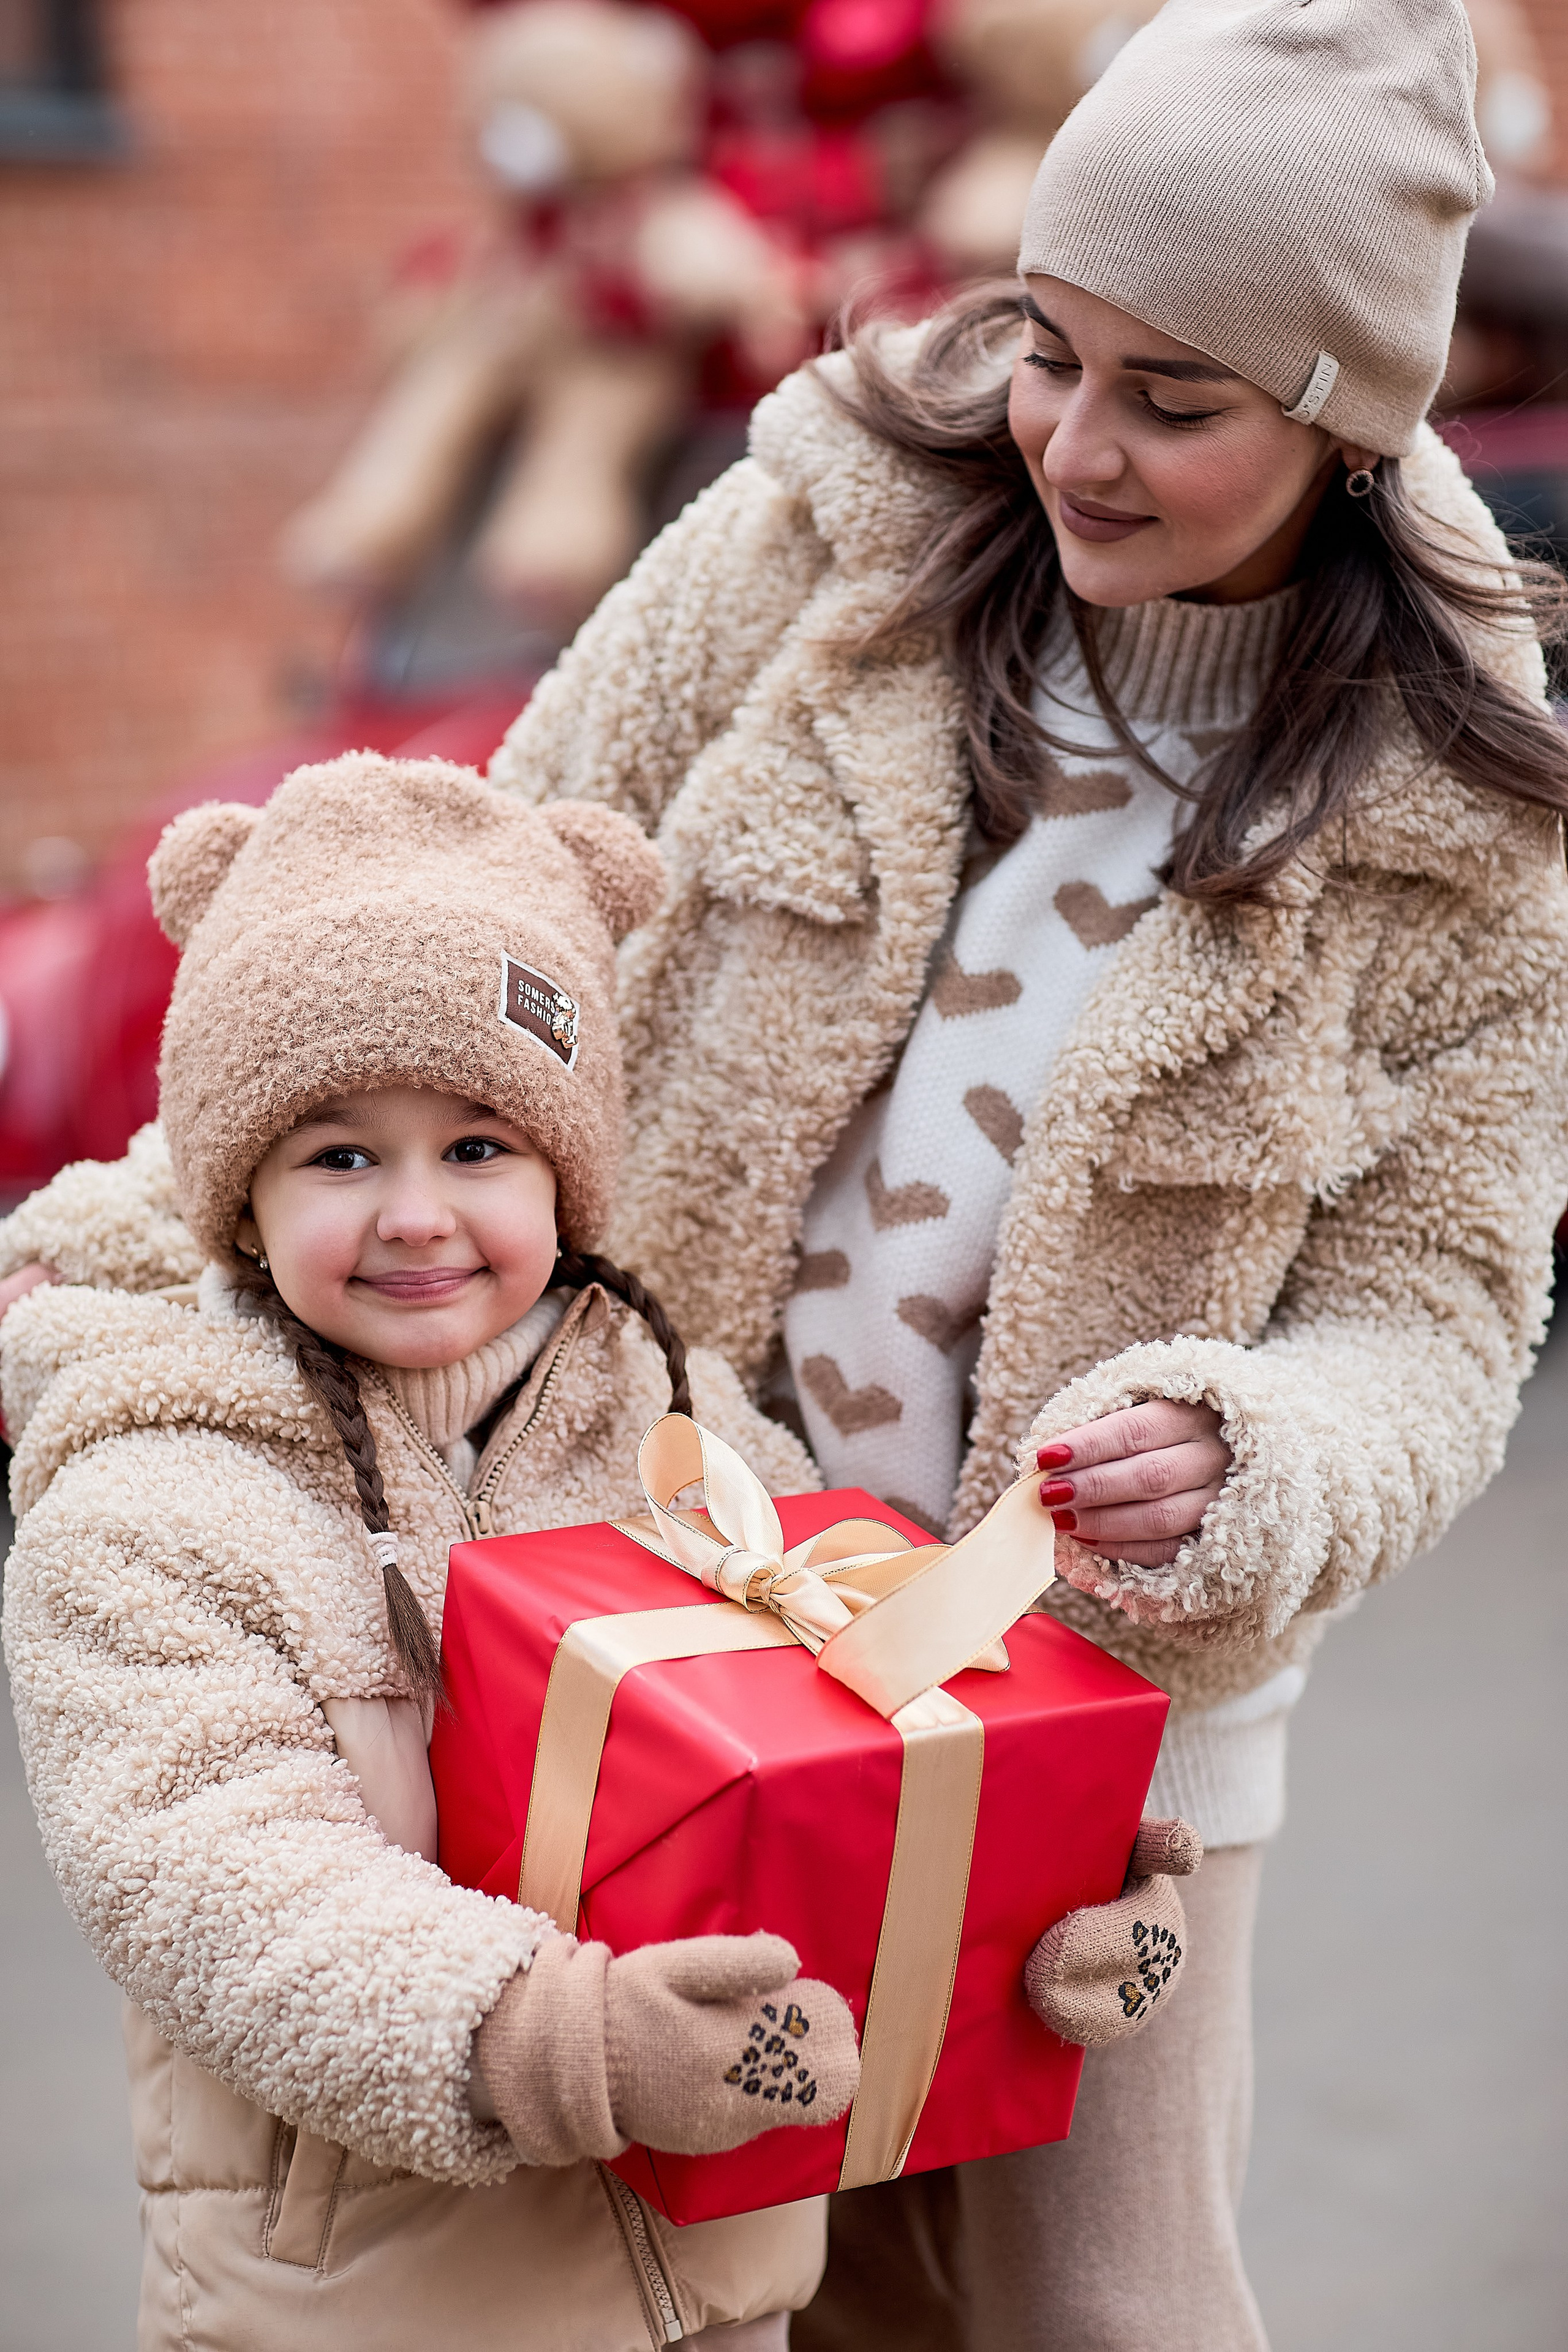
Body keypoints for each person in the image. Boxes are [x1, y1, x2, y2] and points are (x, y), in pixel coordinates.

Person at [6, 0, 1565, 2342]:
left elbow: (1438, 1312)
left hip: (1090, 1710)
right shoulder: (838, 517)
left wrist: (1262, 1449)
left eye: (1180, 400)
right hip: (659, 1599)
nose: (1080, 444)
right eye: (1055, 350)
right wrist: (170, 1270)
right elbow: (487, 883)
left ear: (1349, 425)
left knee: (1097, 2310)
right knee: (712, 2262)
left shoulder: (1469, 828)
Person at [0, 754, 864, 2352]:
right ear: (240, 1198)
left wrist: (1020, 1910)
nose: (415, 1214)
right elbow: (223, 1891)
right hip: (371, 2305)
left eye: (479, 1148)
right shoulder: (149, 1501)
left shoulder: (683, 1427)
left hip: (717, 2289)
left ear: (564, 1172)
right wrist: (562, 2043)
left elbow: (849, 1746)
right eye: (339, 1154)